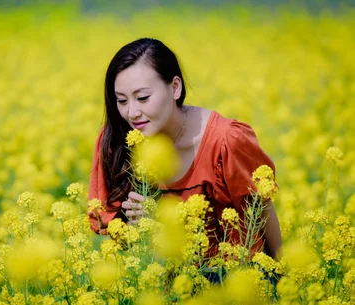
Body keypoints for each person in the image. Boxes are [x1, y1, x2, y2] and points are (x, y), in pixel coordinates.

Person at [87, 37, 282, 262]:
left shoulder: (226, 140)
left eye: (142, 98)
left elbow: (263, 209)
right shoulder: (118, 141)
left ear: (175, 88)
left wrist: (283, 275)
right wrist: (136, 227)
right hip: (173, 284)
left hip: (239, 276)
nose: (132, 113)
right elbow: (125, 244)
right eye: (122, 101)